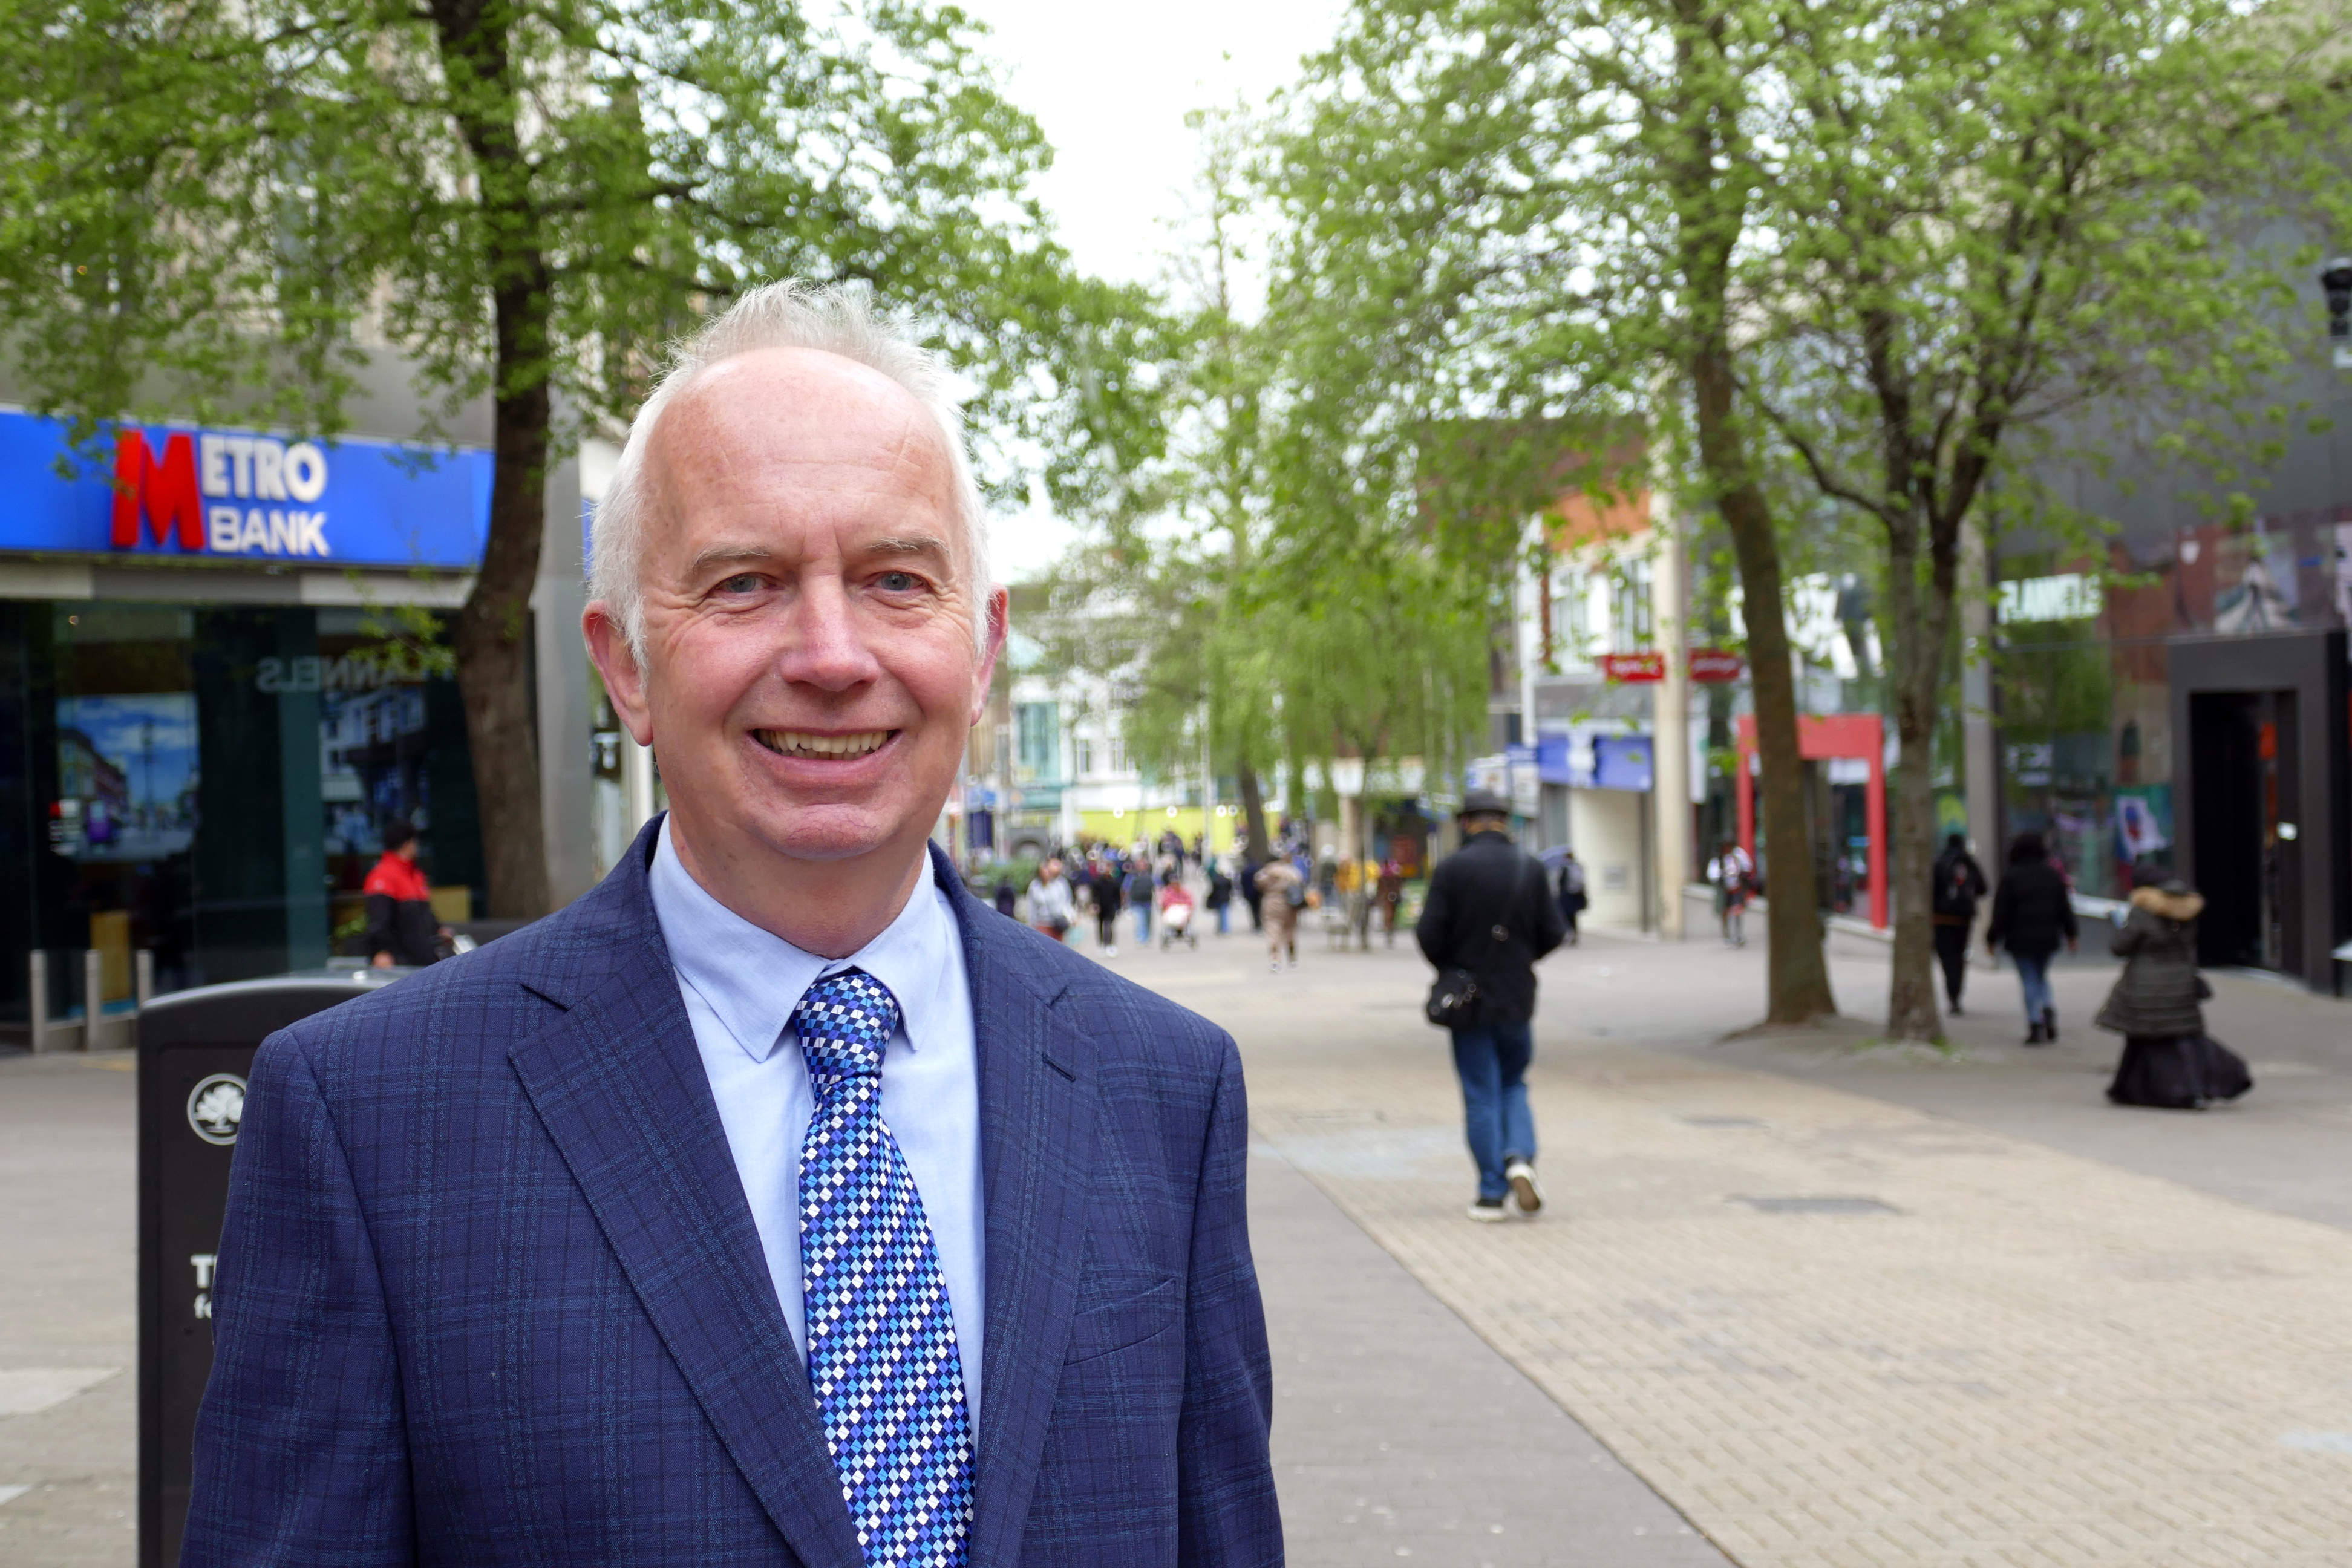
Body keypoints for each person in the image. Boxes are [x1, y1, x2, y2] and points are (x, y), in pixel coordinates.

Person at [185, 281, 1279, 1566]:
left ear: (981, 652)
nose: (830, 654)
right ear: (627, 665)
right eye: (747, 582)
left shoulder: (1165, 1087)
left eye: (894, 580)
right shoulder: (366, 1118)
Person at [1417, 789, 1568, 1223]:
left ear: (1466, 822)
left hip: (1468, 1001)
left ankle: (1490, 1192)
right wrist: (1519, 960)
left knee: (1481, 1092)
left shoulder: (1452, 869)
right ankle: (1519, 1157)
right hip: (1518, 996)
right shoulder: (1530, 868)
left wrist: (1453, 969)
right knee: (1515, 1082)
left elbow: (1429, 933)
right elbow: (1554, 932)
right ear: (1506, 822)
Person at [2097, 877, 2250, 1108]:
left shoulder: (2142, 914)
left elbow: (2119, 947)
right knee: (2176, 1036)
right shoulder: (2186, 917)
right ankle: (2129, 1088)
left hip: (2144, 986)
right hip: (2179, 984)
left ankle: (2183, 1091)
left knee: (2142, 1035)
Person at [1986, 830, 2079, 1044]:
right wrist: (2072, 934)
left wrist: (1992, 938)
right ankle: (2047, 1007)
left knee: (2029, 978)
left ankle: (2035, 1023)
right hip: (2048, 937)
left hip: (2020, 938)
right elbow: (2064, 908)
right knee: (2041, 975)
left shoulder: (2011, 877)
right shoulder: (2052, 875)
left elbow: (2001, 912)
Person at [360, 818, 447, 967]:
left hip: (422, 962)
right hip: (400, 963)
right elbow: (379, 921)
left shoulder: (415, 875)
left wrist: (438, 929)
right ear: (408, 844)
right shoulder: (383, 876)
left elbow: (424, 915)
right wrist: (381, 951)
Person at [1930, 832, 1988, 1014]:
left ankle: (1952, 993)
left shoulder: (1939, 862)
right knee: (1959, 956)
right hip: (1964, 918)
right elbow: (1983, 888)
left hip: (1942, 918)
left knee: (1947, 957)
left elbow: (1931, 890)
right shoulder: (1969, 863)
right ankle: (1956, 994)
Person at [1254, 855, 1302, 972]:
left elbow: (1258, 885)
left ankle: (1275, 961)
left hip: (1271, 905)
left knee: (1273, 933)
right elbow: (1300, 880)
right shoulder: (1290, 872)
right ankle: (1292, 960)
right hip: (1290, 905)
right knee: (1290, 932)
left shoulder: (1265, 873)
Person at [1707, 840, 1754, 947]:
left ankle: (1738, 935)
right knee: (1725, 913)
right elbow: (1713, 875)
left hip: (1736, 889)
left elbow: (1747, 867)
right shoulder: (1718, 860)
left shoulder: (1738, 855)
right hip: (1725, 891)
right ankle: (1727, 936)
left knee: (1738, 911)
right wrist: (1724, 874)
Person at [1026, 855, 1074, 942]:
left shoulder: (1059, 884)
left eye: (1048, 871)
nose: (1046, 873)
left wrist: (1069, 916)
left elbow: (1066, 901)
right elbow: (1031, 906)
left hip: (1057, 924)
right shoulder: (1035, 886)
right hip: (1042, 924)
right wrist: (1031, 924)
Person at [1089, 858, 1123, 955]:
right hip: (1100, 907)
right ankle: (1101, 945)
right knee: (1100, 926)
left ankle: (1110, 944)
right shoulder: (1097, 882)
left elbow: (1118, 896)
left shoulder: (1114, 883)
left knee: (1109, 926)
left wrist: (1119, 907)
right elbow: (1094, 895)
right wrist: (1094, 905)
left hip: (1110, 907)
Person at [1554, 850, 1586, 946]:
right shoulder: (1578, 867)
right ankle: (1575, 935)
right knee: (1573, 917)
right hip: (1576, 896)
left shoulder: (1564, 868)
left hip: (1566, 896)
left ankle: (1569, 935)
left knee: (1565, 917)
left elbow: (1560, 883)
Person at [1124, 855, 1155, 945]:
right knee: (1140, 921)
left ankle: (1147, 936)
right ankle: (1142, 938)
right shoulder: (1131, 876)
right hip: (1136, 903)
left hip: (1148, 902)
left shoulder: (1151, 876)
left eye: (1144, 865)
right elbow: (1126, 889)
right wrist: (1125, 901)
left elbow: (1157, 887)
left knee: (1147, 921)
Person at [1377, 857, 1405, 946]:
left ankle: (1390, 930)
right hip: (1387, 898)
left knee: (1391, 915)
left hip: (1392, 897)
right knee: (1388, 915)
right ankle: (1388, 930)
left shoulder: (1394, 875)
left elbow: (1399, 886)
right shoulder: (1384, 876)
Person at [1206, 858, 1235, 935]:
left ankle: (1221, 928)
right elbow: (1230, 889)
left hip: (1218, 899)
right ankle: (1225, 929)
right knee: (1224, 914)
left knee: (1220, 914)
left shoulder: (1216, 880)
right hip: (1225, 898)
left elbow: (1213, 890)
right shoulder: (1227, 880)